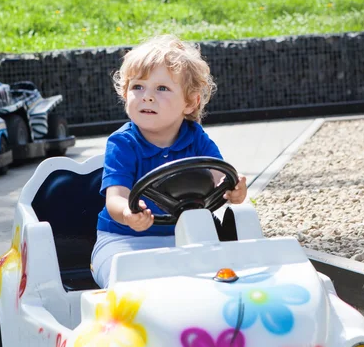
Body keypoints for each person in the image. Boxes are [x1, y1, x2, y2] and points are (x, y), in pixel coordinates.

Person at [91, 35, 248, 288]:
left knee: (226, 278)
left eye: (162, 88)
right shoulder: (122, 144)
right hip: (123, 241)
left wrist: (234, 189)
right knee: (126, 284)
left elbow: (220, 176)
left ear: (190, 102)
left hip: (184, 238)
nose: (147, 97)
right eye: (138, 87)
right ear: (125, 93)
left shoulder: (196, 138)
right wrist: (129, 213)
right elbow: (115, 199)